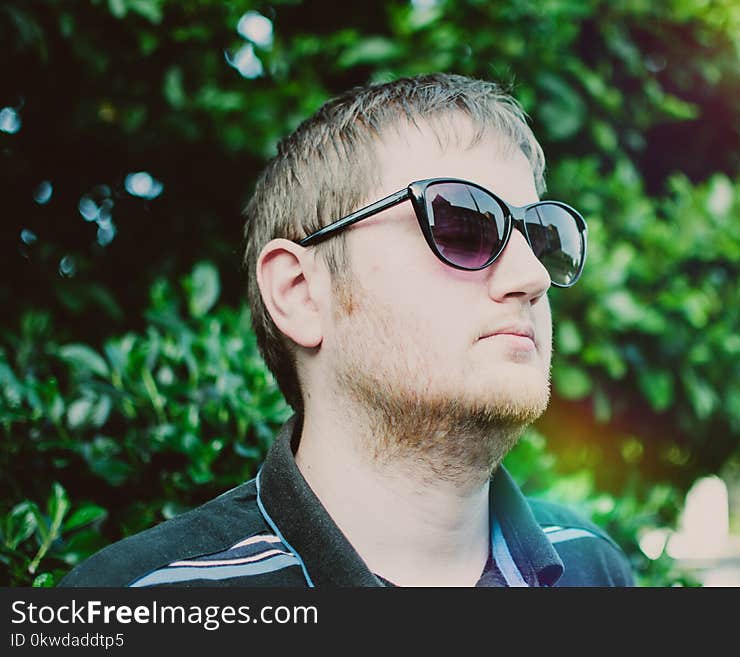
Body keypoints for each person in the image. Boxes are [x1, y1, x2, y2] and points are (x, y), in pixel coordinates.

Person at [60, 73, 634, 587]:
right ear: (300, 294)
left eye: (538, 234)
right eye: (464, 224)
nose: (532, 276)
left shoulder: (594, 566)